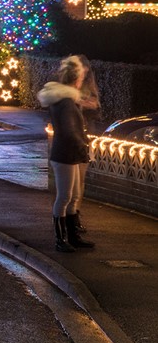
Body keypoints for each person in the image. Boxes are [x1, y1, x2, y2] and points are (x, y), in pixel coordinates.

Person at [37, 56, 95, 252]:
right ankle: (61, 239)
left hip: (68, 152)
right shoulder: (67, 102)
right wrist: (83, 146)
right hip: (66, 153)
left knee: (72, 195)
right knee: (65, 196)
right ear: (76, 79)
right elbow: (70, 131)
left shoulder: (64, 100)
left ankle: (71, 236)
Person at [73, 54, 100, 233]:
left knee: (80, 181)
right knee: (72, 183)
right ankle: (70, 217)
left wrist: (84, 103)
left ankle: (75, 214)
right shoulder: (66, 91)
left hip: (84, 137)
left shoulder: (89, 89)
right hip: (73, 139)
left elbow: (95, 106)